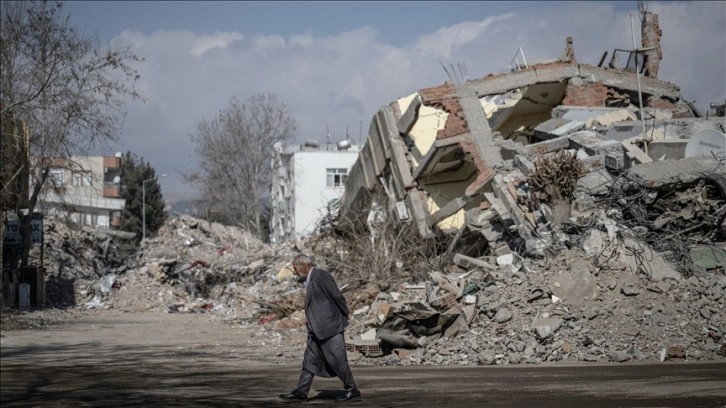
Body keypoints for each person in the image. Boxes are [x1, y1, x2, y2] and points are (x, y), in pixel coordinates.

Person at [279, 254, 361, 403]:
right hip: (316, 329)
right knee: (309, 362)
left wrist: (343, 316)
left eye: (296, 267)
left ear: (303, 265)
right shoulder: (311, 279)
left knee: (338, 360)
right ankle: (301, 392)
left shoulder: (321, 276)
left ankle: (352, 390)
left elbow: (337, 297)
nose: (295, 271)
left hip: (330, 328)